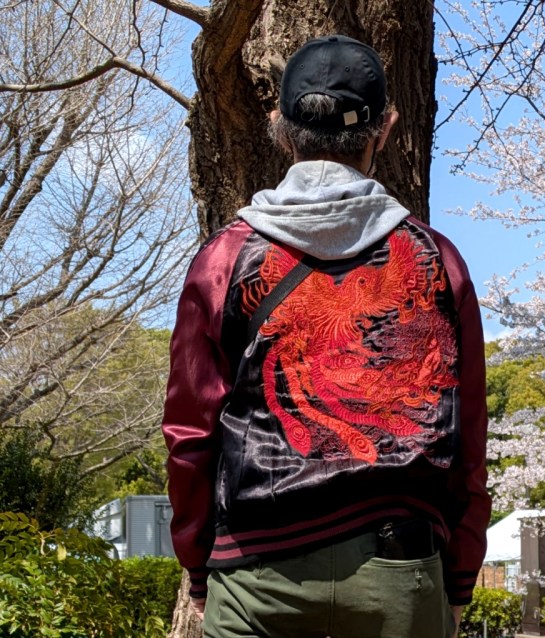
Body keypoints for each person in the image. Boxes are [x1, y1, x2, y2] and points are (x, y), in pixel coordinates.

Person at [162, 34, 491, 638]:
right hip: (400, 571)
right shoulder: (437, 259)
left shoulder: (225, 259)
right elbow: (466, 437)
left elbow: (190, 435)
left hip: (257, 575)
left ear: (279, 127)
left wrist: (199, 562)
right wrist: (461, 572)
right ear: (385, 129)